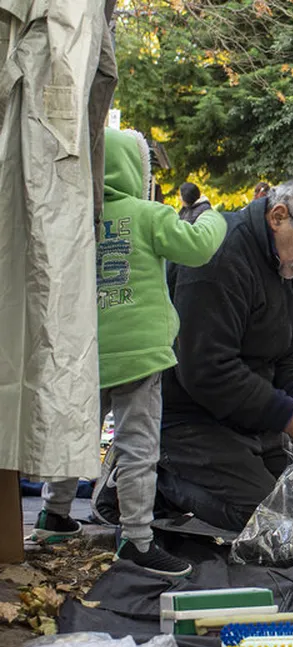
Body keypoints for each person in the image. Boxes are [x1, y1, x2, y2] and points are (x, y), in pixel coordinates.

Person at [32, 128, 226, 576]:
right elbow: (196, 249)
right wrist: (209, 215)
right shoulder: (148, 214)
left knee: (74, 435)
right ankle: (137, 538)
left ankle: (54, 516)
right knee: (137, 446)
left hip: (87, 352)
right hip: (140, 354)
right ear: (136, 170)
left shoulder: (77, 215)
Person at [155, 179, 293, 532]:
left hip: (246, 418)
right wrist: (289, 415)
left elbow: (288, 350)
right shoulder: (220, 255)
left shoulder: (282, 260)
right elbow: (206, 370)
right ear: (278, 216)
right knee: (268, 521)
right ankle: (153, 480)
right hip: (188, 419)